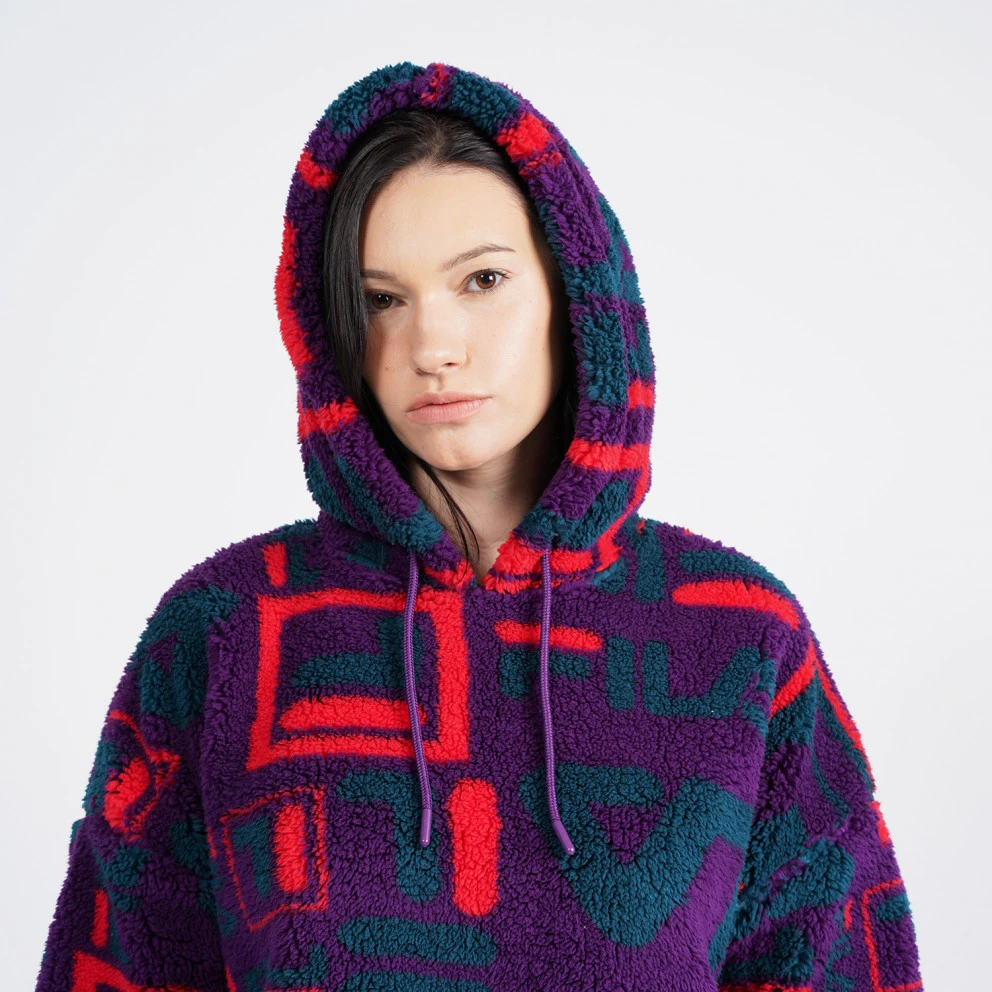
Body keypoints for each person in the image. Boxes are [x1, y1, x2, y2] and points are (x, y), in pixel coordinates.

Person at [35, 61, 924, 992]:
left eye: (483, 279)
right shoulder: (225, 630)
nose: (432, 346)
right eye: (381, 299)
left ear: (576, 297)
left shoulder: (739, 634)